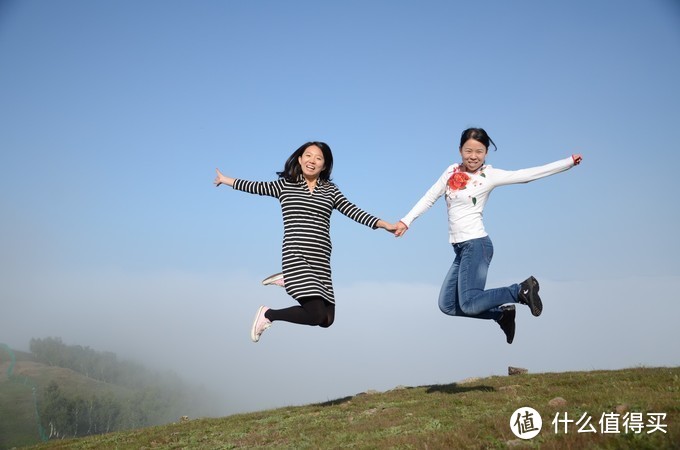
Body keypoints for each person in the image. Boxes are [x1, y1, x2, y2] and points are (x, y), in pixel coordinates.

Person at [394, 128, 582, 344]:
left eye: (479, 152)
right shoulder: (450, 172)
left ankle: (519, 290)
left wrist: (567, 163)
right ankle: (502, 314)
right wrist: (405, 221)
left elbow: (526, 175)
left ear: (486, 153)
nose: (473, 156)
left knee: (469, 303)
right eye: (468, 151)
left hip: (477, 245)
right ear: (460, 150)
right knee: (447, 304)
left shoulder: (489, 175)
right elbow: (429, 197)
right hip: (461, 249)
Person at [214, 141, 396, 342]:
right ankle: (268, 314)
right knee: (315, 315)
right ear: (300, 159)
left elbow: (353, 211)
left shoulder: (330, 191)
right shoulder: (285, 186)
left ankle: (287, 279)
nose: (312, 161)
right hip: (296, 255)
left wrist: (383, 224)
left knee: (326, 320)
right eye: (308, 156)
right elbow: (256, 187)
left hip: (321, 260)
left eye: (318, 158)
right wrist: (225, 179)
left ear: (324, 166)